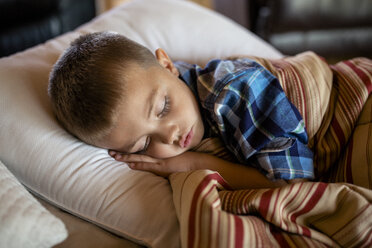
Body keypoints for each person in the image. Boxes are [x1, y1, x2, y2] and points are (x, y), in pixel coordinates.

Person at [48, 31, 313, 189]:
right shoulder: (175, 97)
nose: (169, 135)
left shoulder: (233, 90)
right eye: (143, 144)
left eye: (163, 108)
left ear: (167, 65)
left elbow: (293, 185)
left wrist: (196, 164)